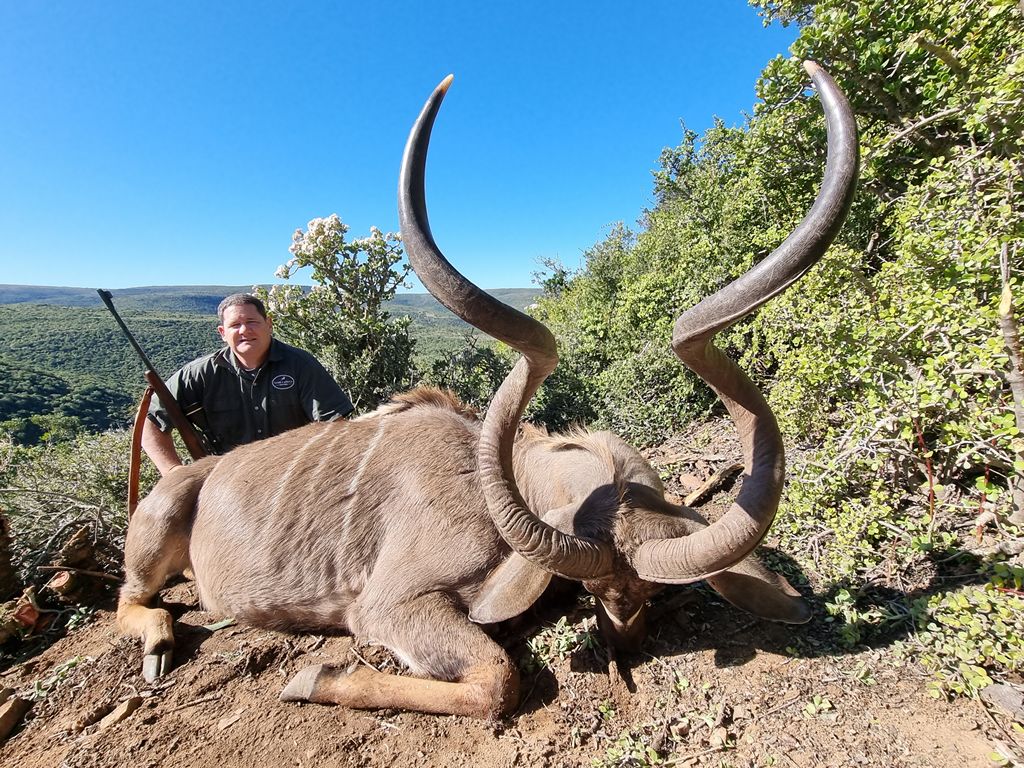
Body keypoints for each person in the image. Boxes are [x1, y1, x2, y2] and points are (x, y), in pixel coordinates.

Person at [142, 293, 353, 475]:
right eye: (235, 325)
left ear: (268, 324)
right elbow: (148, 422)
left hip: (292, 476)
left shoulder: (301, 365)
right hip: (225, 482)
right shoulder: (197, 374)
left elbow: (335, 426)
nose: (244, 330)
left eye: (252, 322)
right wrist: (171, 471)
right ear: (223, 333)